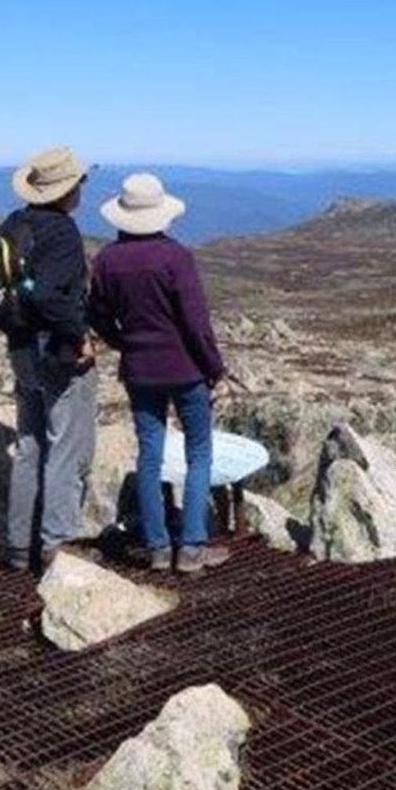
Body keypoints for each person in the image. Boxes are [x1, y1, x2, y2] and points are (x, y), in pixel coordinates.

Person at [87, 172, 228, 574]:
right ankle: (193, 547)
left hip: (139, 371)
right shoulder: (175, 257)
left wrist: (124, 342)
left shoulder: (107, 261)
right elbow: (196, 321)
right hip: (185, 369)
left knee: (150, 454)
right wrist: (214, 366)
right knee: (198, 453)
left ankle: (158, 547)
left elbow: (96, 313)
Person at [2, 146, 98, 573]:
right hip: (57, 352)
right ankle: (56, 546)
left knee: (29, 445)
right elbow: (46, 294)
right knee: (65, 448)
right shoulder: (61, 232)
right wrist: (77, 335)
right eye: (79, 183)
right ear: (66, 190)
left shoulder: (14, 224)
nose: (82, 190)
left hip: (22, 349)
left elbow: (19, 290)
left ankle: (19, 546)